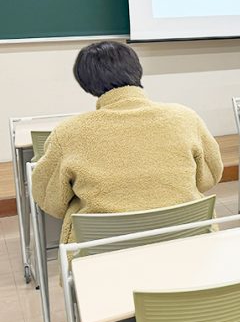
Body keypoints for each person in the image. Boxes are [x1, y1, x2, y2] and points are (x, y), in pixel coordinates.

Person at [32, 41, 223, 244]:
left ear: (86, 83)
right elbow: (209, 177)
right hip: (190, 241)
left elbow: (49, 199)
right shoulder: (185, 117)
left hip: (103, 252)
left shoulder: (68, 133)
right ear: (137, 70)